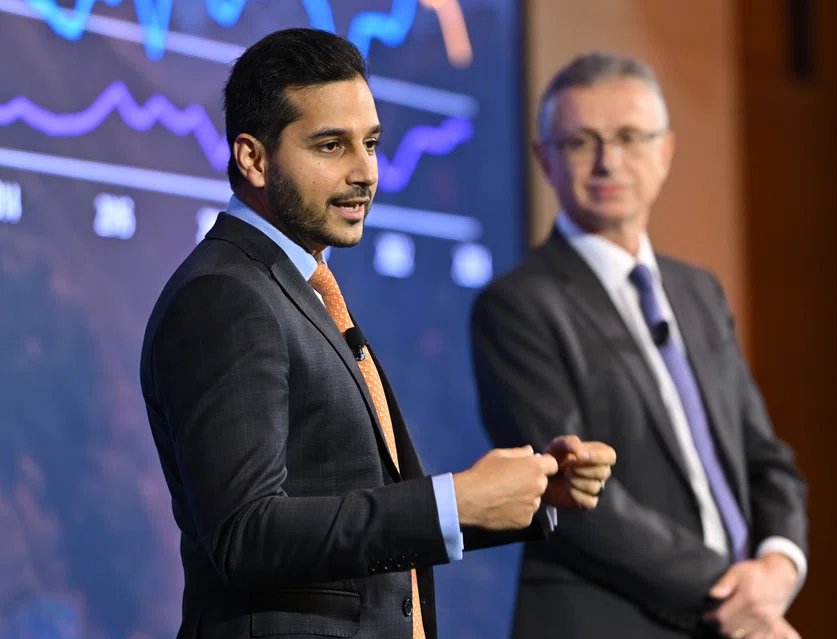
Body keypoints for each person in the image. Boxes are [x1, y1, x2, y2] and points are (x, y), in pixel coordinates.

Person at [139, 28, 616, 639]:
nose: (366, 172)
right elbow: (245, 533)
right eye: (331, 146)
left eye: (371, 143)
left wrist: (529, 495)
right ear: (253, 158)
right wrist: (453, 500)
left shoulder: (296, 286)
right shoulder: (225, 296)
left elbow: (345, 504)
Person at [470, 51, 809, 639]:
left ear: (666, 150)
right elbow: (578, 500)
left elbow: (765, 460)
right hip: (617, 619)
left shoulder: (697, 291)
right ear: (543, 158)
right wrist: (735, 593)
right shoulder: (517, 305)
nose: (609, 162)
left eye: (629, 136)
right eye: (581, 142)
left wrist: (780, 565)